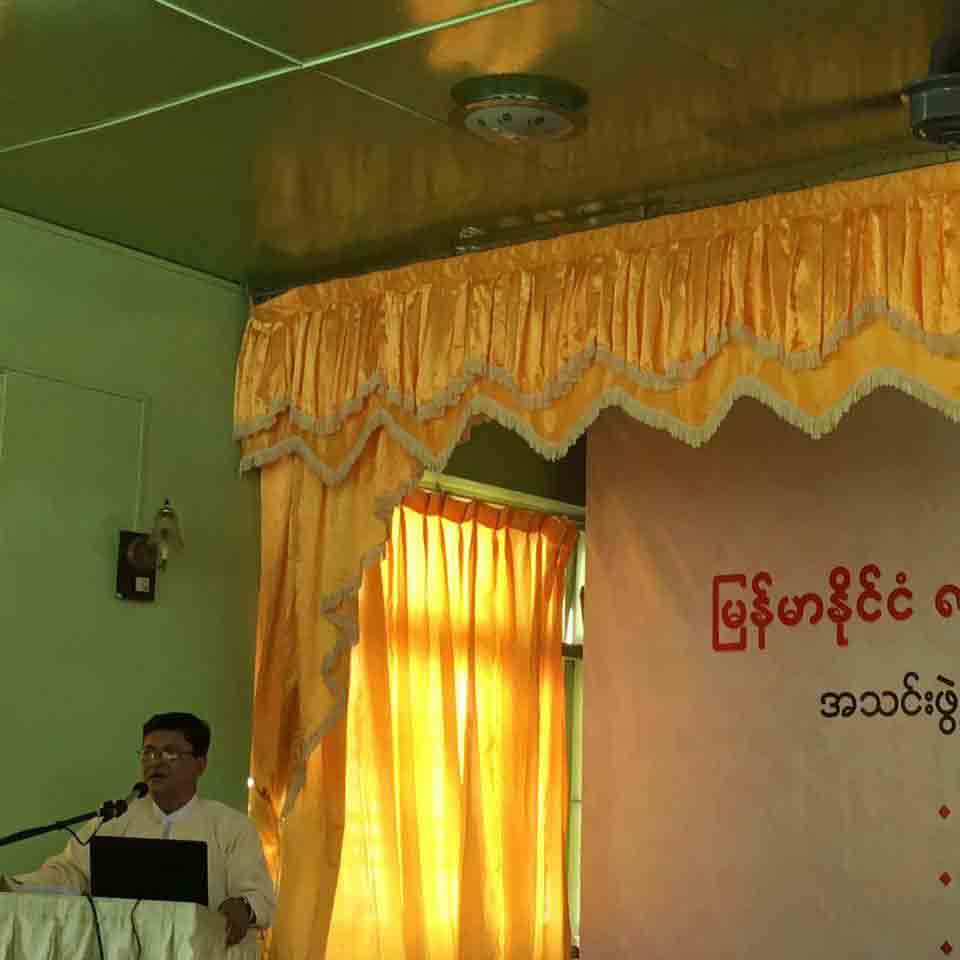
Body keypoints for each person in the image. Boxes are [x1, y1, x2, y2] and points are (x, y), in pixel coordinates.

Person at [0, 712, 276, 947]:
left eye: (170, 753)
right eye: (148, 752)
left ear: (200, 764)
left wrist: (243, 907)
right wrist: (13, 886)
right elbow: (69, 874)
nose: (156, 761)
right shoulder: (114, 820)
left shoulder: (230, 826)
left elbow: (259, 897)